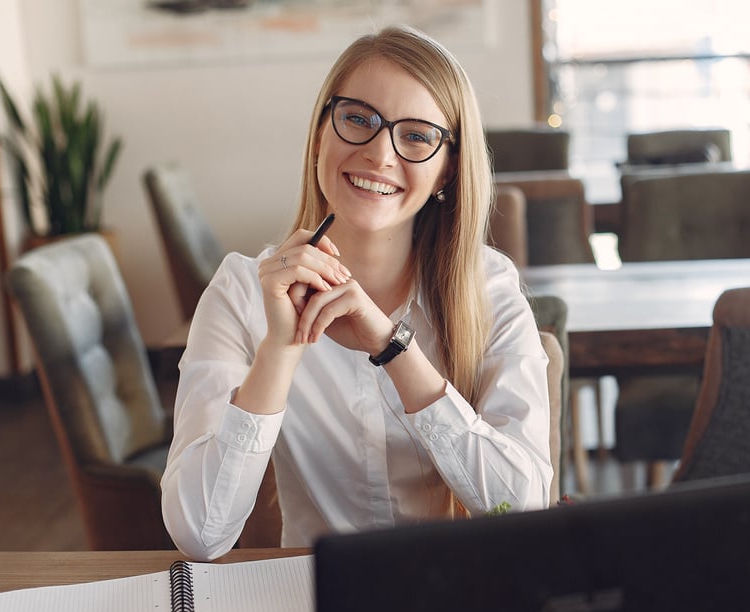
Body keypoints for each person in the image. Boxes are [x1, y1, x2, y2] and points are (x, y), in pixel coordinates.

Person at [162, 25, 552, 560]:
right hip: (311, 605)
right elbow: (199, 536)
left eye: (416, 135)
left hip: (459, 597)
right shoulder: (242, 291)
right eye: (358, 119)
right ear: (321, 132)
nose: (379, 153)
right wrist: (281, 348)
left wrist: (394, 349)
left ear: (448, 170)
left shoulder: (490, 289)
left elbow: (523, 513)